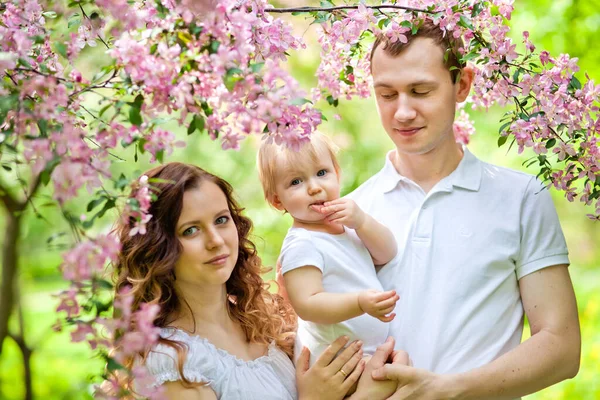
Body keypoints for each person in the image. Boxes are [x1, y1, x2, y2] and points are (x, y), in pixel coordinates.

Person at [345, 19, 581, 399]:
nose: (403, 112)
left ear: (463, 85)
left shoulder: (521, 197)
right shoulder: (353, 211)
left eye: (420, 91)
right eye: (387, 95)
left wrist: (447, 391)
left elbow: (562, 348)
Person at [112, 162, 368, 400]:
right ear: (158, 248)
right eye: (190, 230)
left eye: (221, 220)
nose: (216, 241)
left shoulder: (260, 320)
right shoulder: (171, 360)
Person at [257, 132, 400, 367]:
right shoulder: (302, 244)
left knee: (404, 366)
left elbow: (387, 252)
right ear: (277, 201)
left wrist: (362, 222)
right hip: (333, 360)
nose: (314, 187)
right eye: (296, 182)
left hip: (364, 353)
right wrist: (359, 303)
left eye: (321, 173)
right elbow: (308, 305)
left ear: (337, 173)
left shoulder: (349, 224)